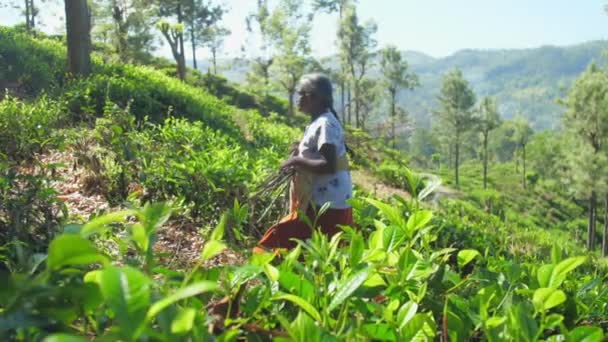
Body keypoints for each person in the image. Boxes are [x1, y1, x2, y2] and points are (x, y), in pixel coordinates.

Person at [255, 73, 354, 252]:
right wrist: (301, 150)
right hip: (323, 200)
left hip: (327, 204)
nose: (297, 99)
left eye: (301, 94)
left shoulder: (325, 123)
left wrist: (297, 160)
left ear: (314, 97)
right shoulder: (320, 122)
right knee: (306, 248)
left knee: (288, 245)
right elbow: (321, 154)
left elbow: (328, 165)